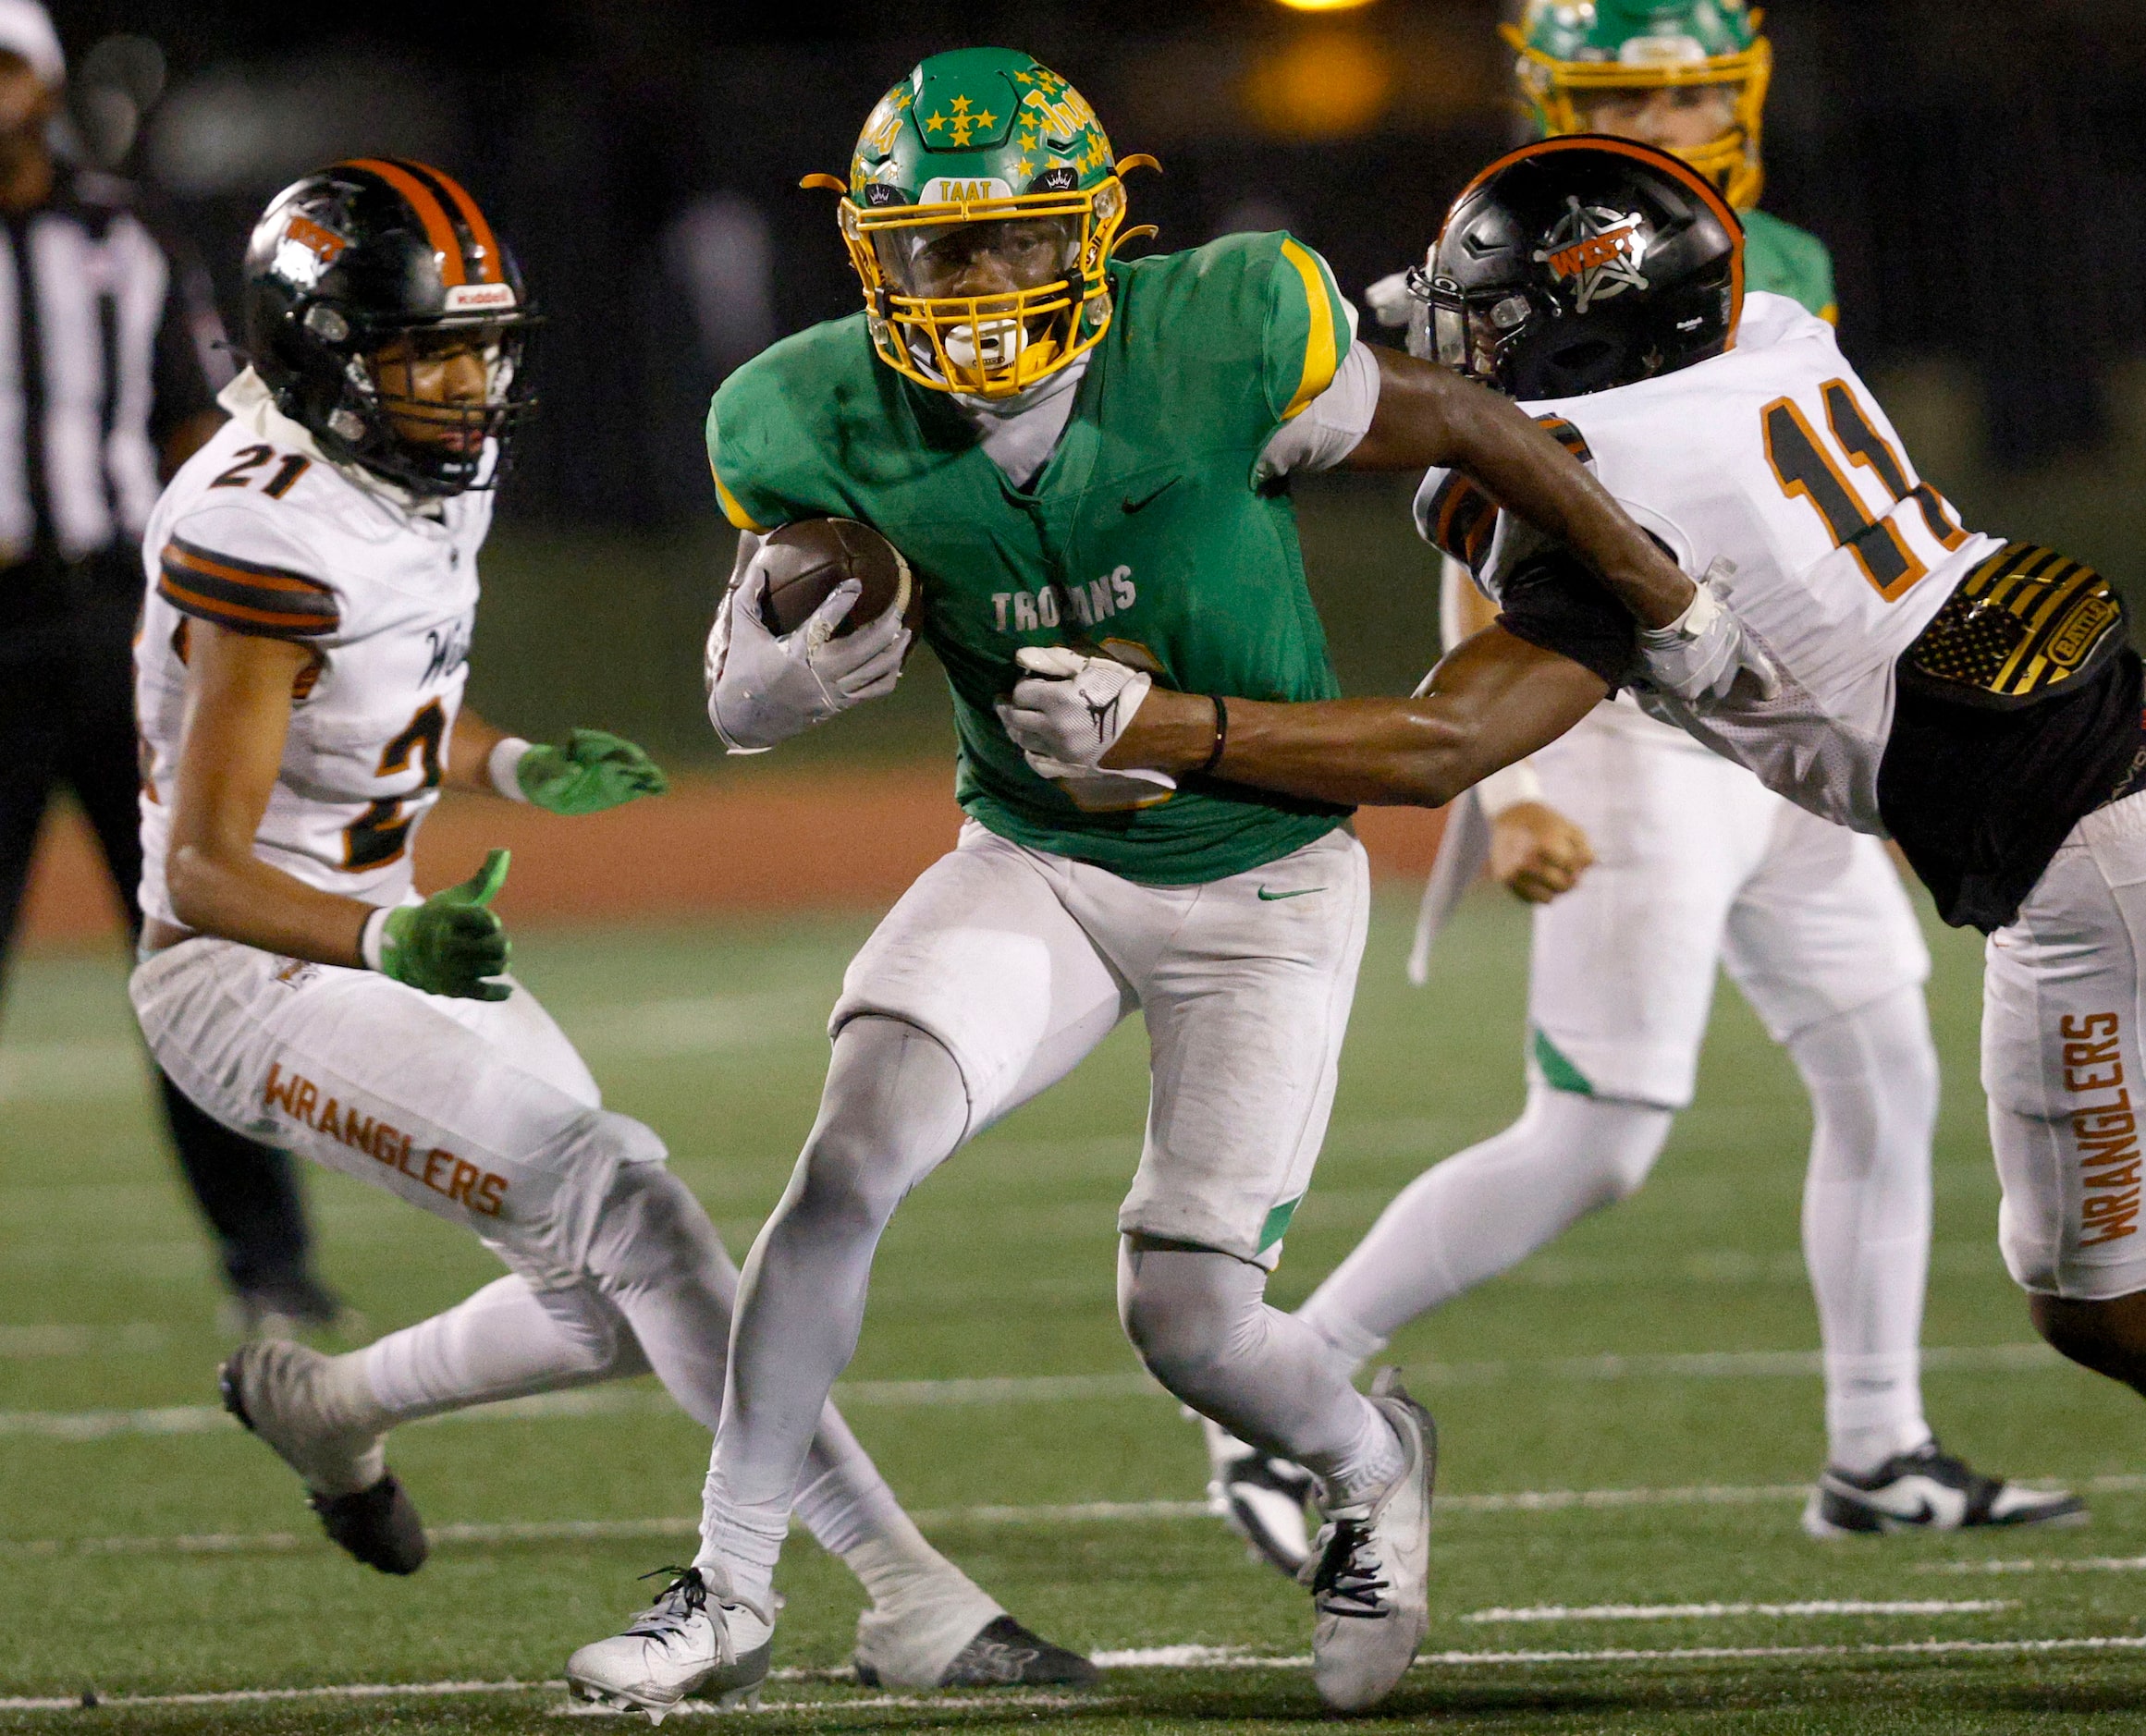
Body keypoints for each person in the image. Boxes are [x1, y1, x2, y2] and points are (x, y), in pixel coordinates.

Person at [564, 46, 1703, 1718]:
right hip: (1035, 855)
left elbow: (1464, 418)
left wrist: (1655, 587)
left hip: (1256, 876)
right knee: (845, 1160)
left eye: (1021, 240)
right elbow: (758, 643)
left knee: (1183, 1317)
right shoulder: (800, 413)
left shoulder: (1224, 327)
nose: (982, 284)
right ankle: (730, 1582)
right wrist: (758, 692)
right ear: (875, 255)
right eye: (943, 250)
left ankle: (1364, 1449)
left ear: (1097, 233)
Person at [999, 138, 2146, 1541]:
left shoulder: (1613, 477)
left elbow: (1442, 748)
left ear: (1592, 324)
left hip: (2083, 868)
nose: (1462, 344)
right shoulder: (1767, 333)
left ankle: (1291, 1389)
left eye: (1489, 317)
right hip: (2100, 770)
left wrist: (1166, 723)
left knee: (2099, 1302)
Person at [129, 156, 1089, 1700]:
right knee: (630, 1208)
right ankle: (907, 1589)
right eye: (421, 352)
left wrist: (510, 762)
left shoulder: (408, 474)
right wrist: (385, 944)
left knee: (602, 1292)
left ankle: (329, 1403)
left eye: (476, 346)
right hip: (249, 974)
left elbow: (381, 702)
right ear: (318, 359)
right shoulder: (263, 530)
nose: (461, 384)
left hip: (381, 921)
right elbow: (201, 876)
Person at [0, 0, 337, 1332]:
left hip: (116, 630)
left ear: (42, 81)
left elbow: (200, 421)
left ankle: (270, 1255)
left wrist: (240, 590)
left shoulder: (121, 232)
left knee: (193, 943)